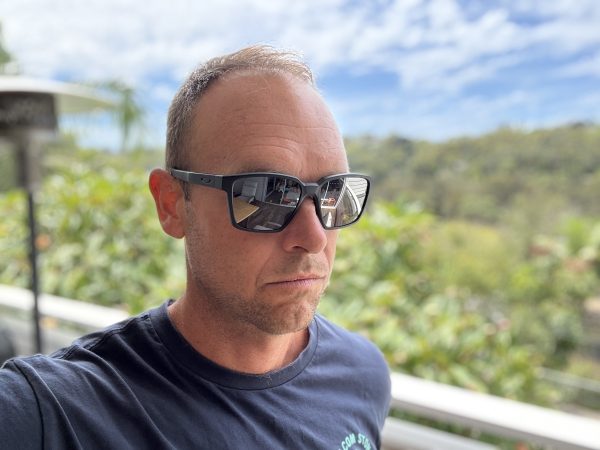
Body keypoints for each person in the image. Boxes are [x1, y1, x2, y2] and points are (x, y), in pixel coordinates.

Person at [0, 45, 391, 449]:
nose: (314, 237)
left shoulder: (361, 375)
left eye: (333, 192)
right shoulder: (54, 412)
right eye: (265, 195)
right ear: (171, 204)